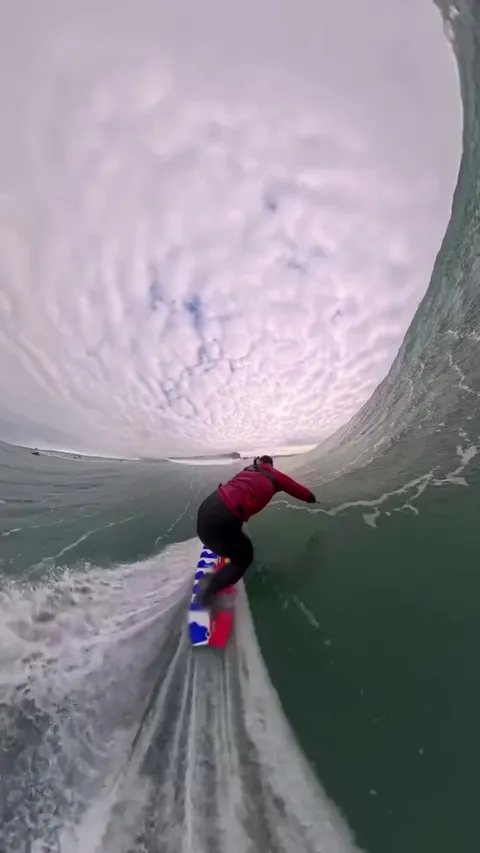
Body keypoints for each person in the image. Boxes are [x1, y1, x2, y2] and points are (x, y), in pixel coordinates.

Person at [194, 455, 317, 607]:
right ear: (270, 464)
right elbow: (300, 491)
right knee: (244, 558)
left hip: (207, 508)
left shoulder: (248, 470)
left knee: (235, 531)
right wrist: (312, 499)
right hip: (222, 519)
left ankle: (223, 557)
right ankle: (206, 595)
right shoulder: (275, 475)